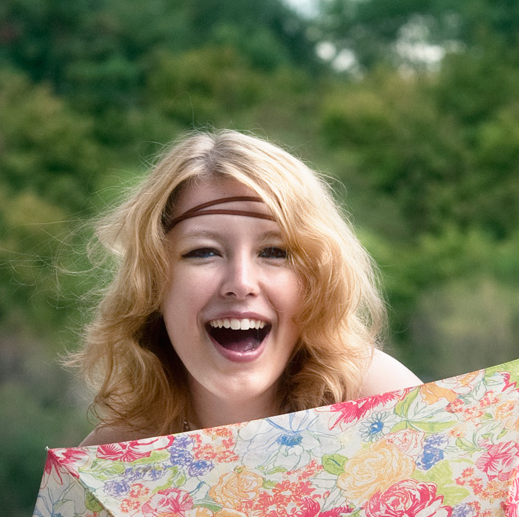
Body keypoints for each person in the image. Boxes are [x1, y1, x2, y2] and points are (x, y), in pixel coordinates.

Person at [76, 129, 421, 446]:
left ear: (316, 281)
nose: (241, 283)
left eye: (274, 252)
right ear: (151, 283)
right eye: (203, 252)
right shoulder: (109, 466)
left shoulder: (390, 412)